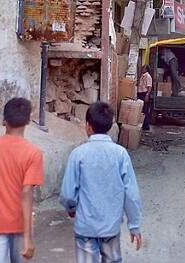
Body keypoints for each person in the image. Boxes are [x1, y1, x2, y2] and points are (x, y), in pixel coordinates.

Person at [60, 101, 142, 263]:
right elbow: (131, 193)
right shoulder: (120, 154)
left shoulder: (78, 154)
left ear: (88, 126)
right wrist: (134, 225)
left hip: (85, 227)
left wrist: (71, 208)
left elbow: (68, 194)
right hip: (110, 228)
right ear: (111, 126)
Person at [0, 97, 44, 262]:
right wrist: (28, 237)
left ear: (4, 121)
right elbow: (26, 193)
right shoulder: (33, 153)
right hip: (19, 223)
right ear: (28, 121)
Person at [137, 64, 152, 131]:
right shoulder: (142, 76)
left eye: (143, 68)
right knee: (142, 110)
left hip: (144, 94)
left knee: (145, 110)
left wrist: (147, 95)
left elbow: (149, 87)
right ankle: (143, 125)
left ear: (146, 69)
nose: (142, 69)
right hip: (140, 93)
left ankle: (146, 126)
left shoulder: (148, 76)